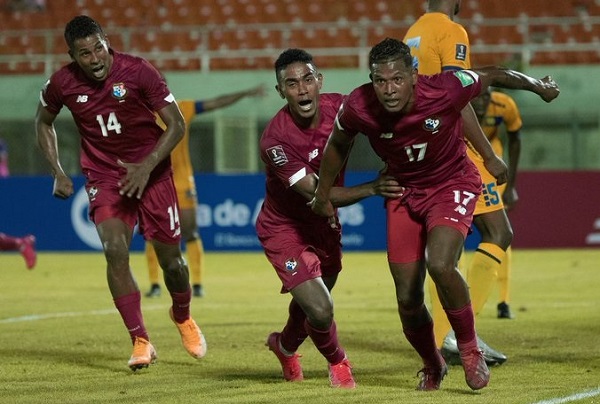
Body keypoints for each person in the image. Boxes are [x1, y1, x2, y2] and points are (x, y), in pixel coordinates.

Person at [311, 38, 559, 391]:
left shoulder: (444, 88)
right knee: (407, 298)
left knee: (441, 263)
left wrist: (538, 86)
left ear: (413, 75)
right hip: (403, 189)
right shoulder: (358, 105)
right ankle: (432, 363)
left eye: (396, 79)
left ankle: (470, 348)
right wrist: (323, 195)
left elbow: (493, 75)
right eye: (380, 81)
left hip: (451, 182)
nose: (388, 89)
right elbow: (337, 143)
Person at [34, 15, 206, 371]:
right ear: (72, 55)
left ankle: (182, 315)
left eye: (99, 48)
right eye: (85, 53)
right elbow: (43, 121)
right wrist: (57, 172)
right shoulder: (61, 83)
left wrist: (146, 166)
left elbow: (177, 124)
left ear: (107, 41)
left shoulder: (139, 71)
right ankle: (140, 340)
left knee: (171, 261)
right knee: (114, 250)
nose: (95, 58)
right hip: (105, 175)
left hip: (153, 173)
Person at [256, 48, 403, 389]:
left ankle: (285, 346)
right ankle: (339, 364)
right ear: (281, 92)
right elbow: (316, 193)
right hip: (284, 228)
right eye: (291, 84)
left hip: (324, 225)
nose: (302, 89)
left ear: (320, 81)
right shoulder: (275, 141)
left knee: (309, 305)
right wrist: (373, 187)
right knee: (321, 309)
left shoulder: (342, 108)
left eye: (308, 79)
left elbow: (384, 114)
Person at [404, 0, 509, 366]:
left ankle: (449, 334)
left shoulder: (414, 32)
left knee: (448, 250)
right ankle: (456, 333)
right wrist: (490, 155)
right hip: (457, 150)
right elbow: (458, 96)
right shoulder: (451, 30)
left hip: (430, 146)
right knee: (495, 234)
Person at [145, 84, 267, 299]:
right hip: (153, 182)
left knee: (190, 231)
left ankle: (198, 283)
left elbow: (217, 102)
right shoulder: (139, 114)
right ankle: (155, 284)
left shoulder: (181, 107)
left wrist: (245, 92)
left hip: (182, 181)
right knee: (152, 235)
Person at [470, 88, 523, 319]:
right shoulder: (454, 104)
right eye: (477, 97)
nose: (482, 102)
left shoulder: (504, 106)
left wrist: (511, 185)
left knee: (500, 231)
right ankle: (451, 303)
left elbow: (515, 139)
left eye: (486, 96)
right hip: (458, 163)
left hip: (491, 167)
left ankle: (503, 301)